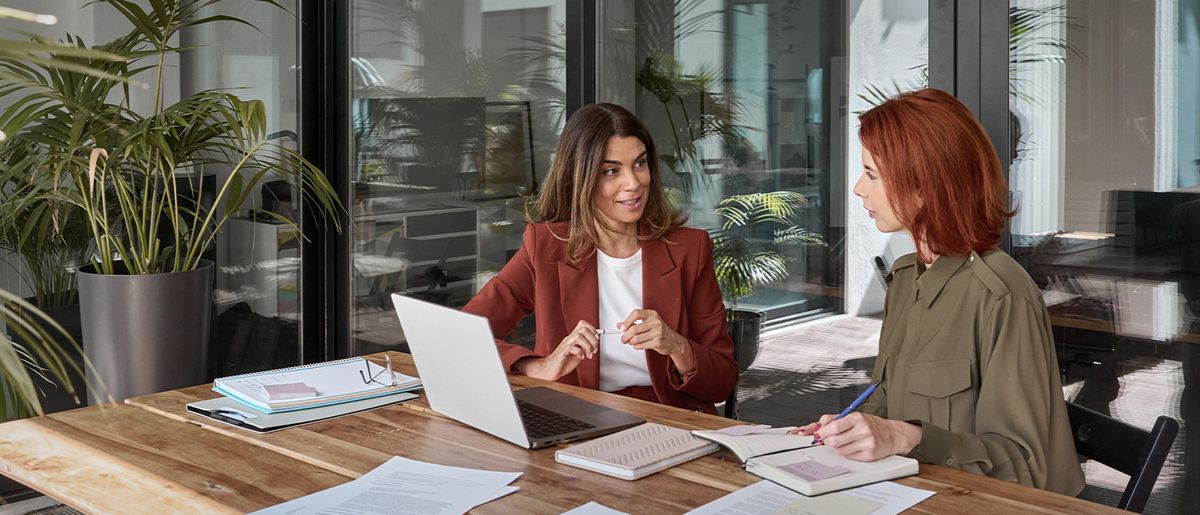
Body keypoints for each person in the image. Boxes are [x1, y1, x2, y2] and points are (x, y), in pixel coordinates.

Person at [792, 88, 1084, 495]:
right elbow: (888, 395)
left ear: (925, 186)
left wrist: (907, 438)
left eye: (872, 174)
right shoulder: (906, 276)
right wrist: (850, 429)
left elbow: (1026, 465)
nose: (859, 189)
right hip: (912, 494)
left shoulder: (1002, 297)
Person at [463, 103, 737, 414]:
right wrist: (538, 366)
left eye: (640, 164)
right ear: (580, 177)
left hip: (669, 419)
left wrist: (677, 346)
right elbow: (465, 332)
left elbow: (722, 382)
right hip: (576, 417)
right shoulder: (546, 247)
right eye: (611, 171)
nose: (633, 183)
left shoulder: (690, 249)